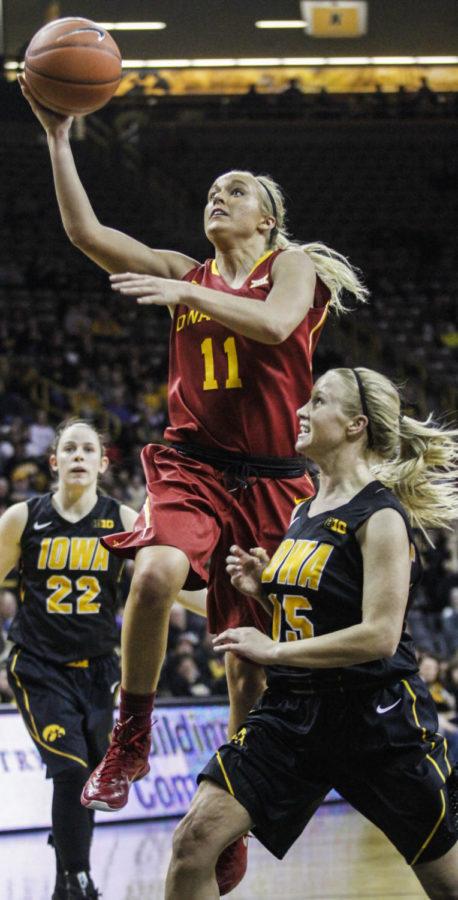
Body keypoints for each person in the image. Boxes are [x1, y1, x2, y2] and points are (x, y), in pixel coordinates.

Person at [19, 78, 368, 883]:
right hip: (192, 464)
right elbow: (86, 233)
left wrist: (181, 292)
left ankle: (233, 805)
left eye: (235, 191)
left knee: (248, 661)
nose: (219, 196)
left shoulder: (296, 266)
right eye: (212, 190)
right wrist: (60, 141)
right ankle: (130, 737)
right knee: (153, 575)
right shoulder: (188, 270)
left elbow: (278, 325)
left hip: (279, 480)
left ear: (266, 219)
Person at [166, 366, 458, 899]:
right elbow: (322, 606)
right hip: (294, 713)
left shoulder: (382, 516)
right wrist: (265, 590)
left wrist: (272, 647)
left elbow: (379, 636)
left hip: (377, 721)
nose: (300, 411)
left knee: (449, 884)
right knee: (194, 842)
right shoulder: (304, 509)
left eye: (318, 401)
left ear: (355, 425)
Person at [0, 418, 205, 900]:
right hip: (38, 666)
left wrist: (231, 607)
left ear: (102, 463)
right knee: (71, 769)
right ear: (53, 462)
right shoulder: (22, 517)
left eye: (86, 449)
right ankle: (75, 878)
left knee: (93, 773)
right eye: (67, 449)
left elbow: (172, 580)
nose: (76, 456)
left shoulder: (123, 520)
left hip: (100, 669)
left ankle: (73, 874)